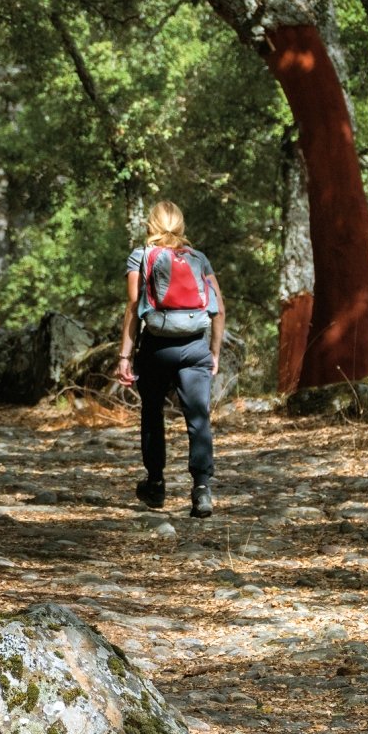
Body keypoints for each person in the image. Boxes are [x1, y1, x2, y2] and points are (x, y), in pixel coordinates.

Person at [115, 201, 225, 518]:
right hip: (195, 348)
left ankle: (156, 484)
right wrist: (213, 351)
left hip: (156, 348)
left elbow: (134, 307)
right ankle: (202, 489)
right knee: (198, 417)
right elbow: (219, 306)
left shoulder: (141, 256)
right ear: (180, 224)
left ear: (151, 224)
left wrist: (125, 356)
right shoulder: (198, 258)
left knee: (152, 413)